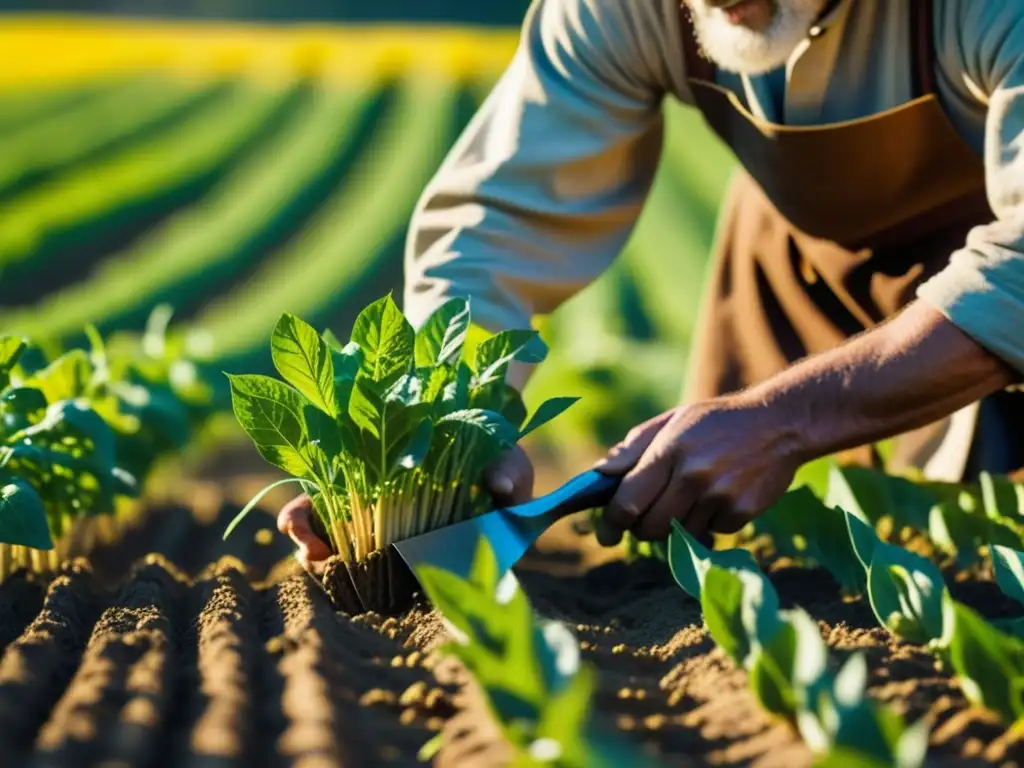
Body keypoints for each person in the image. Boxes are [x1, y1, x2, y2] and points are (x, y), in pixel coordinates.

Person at [279, 0, 1024, 568]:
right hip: (795, 274)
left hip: (985, 308)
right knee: (768, 564)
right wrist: (438, 432)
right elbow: (499, 220)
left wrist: (784, 418)